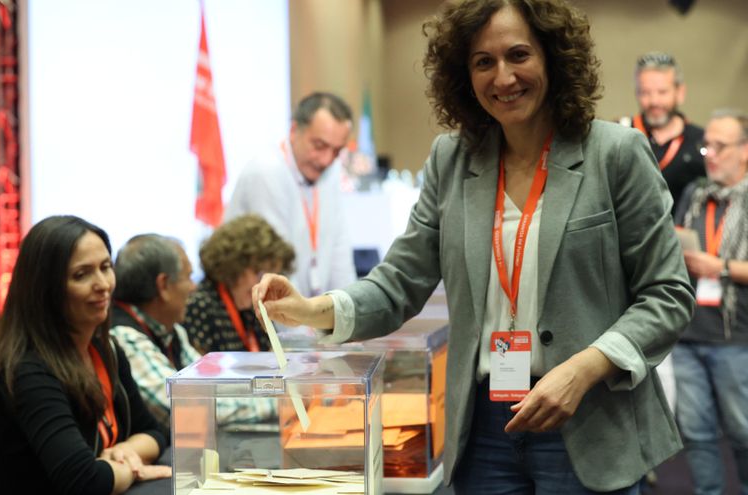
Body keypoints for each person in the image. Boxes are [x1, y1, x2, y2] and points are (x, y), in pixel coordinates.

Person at [254, 1, 694, 493]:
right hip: (484, 428)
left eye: (518, 55)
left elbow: (667, 295)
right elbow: (400, 280)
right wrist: (312, 309)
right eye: (483, 62)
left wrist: (584, 368)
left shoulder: (615, 153)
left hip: (586, 420)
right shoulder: (452, 159)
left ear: (553, 57)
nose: (503, 77)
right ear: (464, 75)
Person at [0, 215, 170, 495]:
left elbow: (155, 432)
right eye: (82, 274)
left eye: (106, 267)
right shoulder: (28, 371)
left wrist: (124, 451)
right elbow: (83, 481)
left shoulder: (107, 350)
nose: (103, 284)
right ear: (46, 290)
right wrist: (131, 469)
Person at [110, 234, 275, 437]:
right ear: (163, 285)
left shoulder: (172, 330)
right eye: (188, 277)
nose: (193, 287)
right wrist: (280, 403)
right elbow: (187, 412)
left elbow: (215, 384)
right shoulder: (125, 337)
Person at [672, 109, 748, 495]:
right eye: (707, 145)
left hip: (737, 338)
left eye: (720, 146)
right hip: (688, 335)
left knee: (743, 433)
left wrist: (719, 267)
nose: (710, 154)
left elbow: (720, 265)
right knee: (697, 436)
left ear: (746, 150)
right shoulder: (694, 193)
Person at [225, 92, 356, 297]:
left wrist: (348, 316)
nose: (326, 160)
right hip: (253, 312)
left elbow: (340, 255)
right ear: (294, 130)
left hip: (303, 312)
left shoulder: (330, 171)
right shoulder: (266, 172)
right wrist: (304, 327)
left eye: (337, 151)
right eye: (319, 146)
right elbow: (275, 269)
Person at [185, 214, 294, 354]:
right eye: (258, 273)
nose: (263, 284)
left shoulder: (252, 305)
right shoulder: (201, 305)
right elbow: (197, 369)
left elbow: (271, 355)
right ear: (235, 265)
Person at [626, 51, 705, 209]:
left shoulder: (701, 142)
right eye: (645, 93)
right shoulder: (622, 135)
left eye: (662, 92)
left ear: (680, 93)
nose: (654, 101)